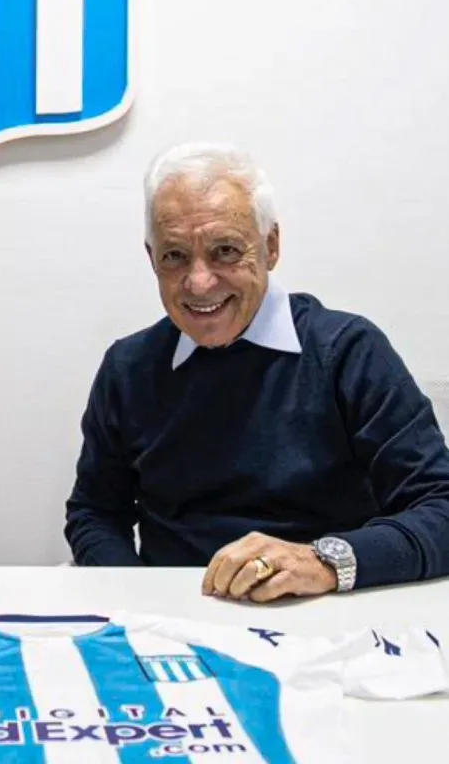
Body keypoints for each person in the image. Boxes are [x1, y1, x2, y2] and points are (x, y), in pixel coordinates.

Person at [65, 143, 449, 601]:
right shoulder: (127, 369)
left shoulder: (349, 352)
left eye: (225, 251)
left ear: (270, 246)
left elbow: (440, 509)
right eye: (174, 257)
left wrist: (323, 561)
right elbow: (94, 513)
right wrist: (139, 599)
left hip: (322, 620)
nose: (199, 282)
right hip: (172, 626)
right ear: (152, 259)